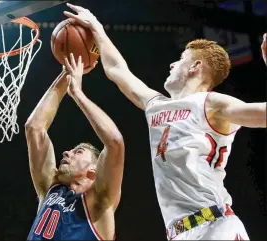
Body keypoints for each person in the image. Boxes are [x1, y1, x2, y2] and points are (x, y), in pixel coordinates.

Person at [64, 4, 267, 240]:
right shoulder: (156, 105)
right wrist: (96, 27)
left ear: (195, 67)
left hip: (215, 225)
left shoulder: (211, 104)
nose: (172, 64)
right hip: (178, 233)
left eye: (180, 59)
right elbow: (117, 70)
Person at [26, 53, 124, 240]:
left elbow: (114, 142)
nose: (67, 152)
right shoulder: (50, 188)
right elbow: (34, 128)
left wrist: (77, 94)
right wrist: (66, 75)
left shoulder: (100, 202)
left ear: (93, 171)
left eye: (78, 152)